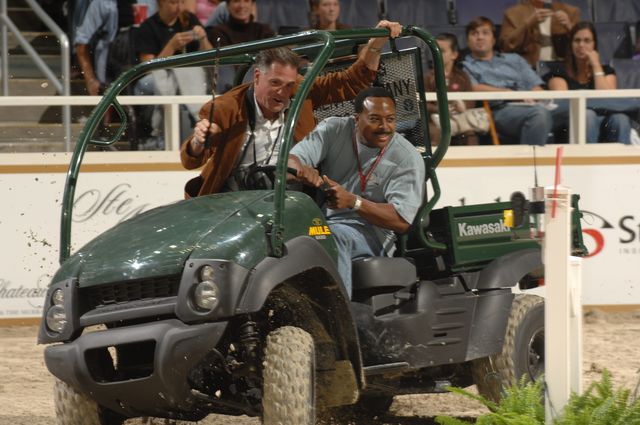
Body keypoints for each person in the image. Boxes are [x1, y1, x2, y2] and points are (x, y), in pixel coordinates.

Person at [181, 20, 402, 196]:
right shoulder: (224, 109)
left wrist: (375, 44)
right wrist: (199, 142)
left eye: (288, 85)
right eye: (275, 83)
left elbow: (351, 81)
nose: (283, 92)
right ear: (257, 77)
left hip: (290, 197)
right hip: (235, 199)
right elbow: (191, 160)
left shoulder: (299, 90)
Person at [288, 87, 425, 296]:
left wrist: (354, 202)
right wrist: (300, 170)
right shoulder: (333, 129)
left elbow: (401, 221)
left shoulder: (406, 157)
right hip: (325, 223)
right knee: (294, 234)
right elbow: (290, 161)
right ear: (356, 119)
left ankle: (338, 319)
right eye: (375, 119)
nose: (385, 127)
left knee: (332, 237)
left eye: (391, 119)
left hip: (372, 233)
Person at [462, 16, 552, 146]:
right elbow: (474, 88)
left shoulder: (514, 59)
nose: (480, 37)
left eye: (485, 33)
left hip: (532, 103)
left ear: (493, 39)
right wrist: (511, 94)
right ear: (468, 41)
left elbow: (535, 85)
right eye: (474, 33)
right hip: (499, 110)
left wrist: (533, 96)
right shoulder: (465, 66)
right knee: (538, 115)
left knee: (583, 113)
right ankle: (529, 164)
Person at [134, 0, 213, 146]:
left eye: (180, 2)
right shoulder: (148, 27)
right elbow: (147, 68)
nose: (178, 7)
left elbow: (211, 57)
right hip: (161, 78)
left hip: (191, 78)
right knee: (151, 83)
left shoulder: (188, 19)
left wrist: (203, 39)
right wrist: (171, 46)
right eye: (172, 2)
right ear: (160, 4)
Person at [546, 21, 631, 144]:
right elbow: (563, 105)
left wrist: (596, 65)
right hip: (571, 123)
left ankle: (619, 162)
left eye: (587, 41)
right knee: (587, 115)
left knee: (620, 119)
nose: (581, 45)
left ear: (594, 44)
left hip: (603, 120)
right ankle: (588, 161)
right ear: (571, 44)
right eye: (577, 40)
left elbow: (609, 100)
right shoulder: (558, 73)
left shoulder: (606, 71)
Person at [424, 33, 479, 146]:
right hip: (434, 120)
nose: (437, 54)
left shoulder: (462, 77)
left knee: (469, 133)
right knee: (435, 133)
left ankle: (472, 162)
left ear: (454, 54)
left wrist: (463, 106)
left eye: (442, 51)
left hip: (458, 118)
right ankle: (438, 163)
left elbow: (470, 100)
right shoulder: (427, 78)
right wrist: (439, 108)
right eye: (434, 50)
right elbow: (422, 103)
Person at [74, 0, 135, 95]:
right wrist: (90, 79)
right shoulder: (102, 3)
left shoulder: (149, 2)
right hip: (111, 65)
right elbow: (81, 43)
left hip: (141, 62)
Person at [500, 0, 580, 68]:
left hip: (563, 68)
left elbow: (584, 45)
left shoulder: (570, 12)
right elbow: (506, 46)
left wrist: (569, 27)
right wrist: (528, 25)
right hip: (527, 69)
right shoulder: (512, 14)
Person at [206, 0, 274, 47]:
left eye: (246, 1)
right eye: (236, 1)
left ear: (252, 5)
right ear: (227, 6)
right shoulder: (219, 32)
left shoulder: (264, 31)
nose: (241, 6)